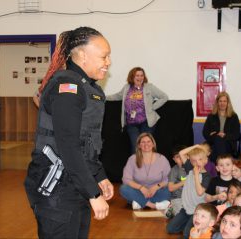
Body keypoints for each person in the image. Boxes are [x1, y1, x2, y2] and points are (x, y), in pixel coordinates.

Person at [24, 26, 114, 239]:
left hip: (74, 185)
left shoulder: (86, 87)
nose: (108, 62)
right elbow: (67, 145)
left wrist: (99, 176)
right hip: (58, 190)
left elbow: (86, 141)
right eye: (104, 56)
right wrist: (92, 193)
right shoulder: (67, 87)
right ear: (83, 55)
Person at [106, 67, 168, 154]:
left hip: (147, 122)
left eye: (142, 75)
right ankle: (136, 166)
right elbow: (117, 96)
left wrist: (152, 107)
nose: (140, 78)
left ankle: (148, 166)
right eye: (137, 75)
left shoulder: (149, 87)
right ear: (132, 77)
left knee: (146, 146)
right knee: (135, 146)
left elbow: (164, 97)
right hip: (131, 123)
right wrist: (103, 97)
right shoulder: (127, 87)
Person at [166, 146, 212, 239]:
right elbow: (181, 153)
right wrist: (197, 146)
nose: (197, 163)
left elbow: (200, 192)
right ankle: (188, 226)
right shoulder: (190, 168)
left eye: (200, 159)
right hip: (186, 209)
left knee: (187, 235)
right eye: (193, 160)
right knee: (170, 229)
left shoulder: (207, 176)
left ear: (205, 160)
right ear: (190, 161)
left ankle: (190, 228)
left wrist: (196, 175)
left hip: (197, 211)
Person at [119, 132, 171, 210]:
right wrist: (141, 188)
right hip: (138, 192)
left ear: (153, 144)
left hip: (156, 192)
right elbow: (126, 179)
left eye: (148, 141)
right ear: (139, 145)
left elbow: (168, 178)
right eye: (143, 142)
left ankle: (139, 202)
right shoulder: (132, 159)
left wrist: (156, 187)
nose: (146, 144)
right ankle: (152, 205)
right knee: (123, 189)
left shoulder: (162, 159)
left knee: (168, 190)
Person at [202, 91, 241, 163]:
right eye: (220, 101)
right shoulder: (211, 116)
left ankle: (216, 168)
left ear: (228, 103)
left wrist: (225, 135)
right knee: (218, 140)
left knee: (218, 144)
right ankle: (221, 165)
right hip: (213, 142)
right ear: (217, 103)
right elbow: (205, 133)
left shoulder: (233, 116)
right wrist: (216, 135)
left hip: (228, 144)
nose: (222, 103)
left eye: (224, 101)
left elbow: (237, 135)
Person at [166, 145, 187, 218]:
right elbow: (170, 188)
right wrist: (183, 182)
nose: (181, 158)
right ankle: (171, 208)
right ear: (174, 159)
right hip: (178, 198)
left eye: (184, 155)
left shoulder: (193, 167)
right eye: (178, 157)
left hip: (190, 198)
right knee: (182, 216)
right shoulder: (174, 170)